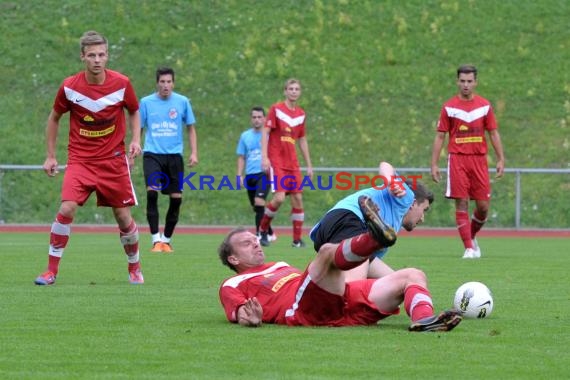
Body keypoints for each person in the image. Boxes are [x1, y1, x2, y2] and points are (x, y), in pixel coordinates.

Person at [218, 210, 462, 331]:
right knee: (326, 252)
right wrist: (248, 318)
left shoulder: (279, 264)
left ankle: (423, 321)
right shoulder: (232, 284)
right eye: (246, 243)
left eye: (255, 239)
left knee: (413, 274)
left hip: (341, 302)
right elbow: (239, 311)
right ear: (233, 257)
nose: (256, 243)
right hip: (303, 309)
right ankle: (373, 240)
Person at [34, 30, 144, 285]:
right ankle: (51, 271)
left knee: (123, 216)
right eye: (92, 55)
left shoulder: (122, 83)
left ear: (107, 56)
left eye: (102, 54)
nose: (97, 59)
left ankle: (134, 268)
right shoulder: (70, 87)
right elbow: (54, 119)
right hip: (80, 160)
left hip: (113, 160)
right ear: (83, 56)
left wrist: (137, 140)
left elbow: (134, 111)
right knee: (67, 207)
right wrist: (50, 156)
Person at [310, 161, 433, 281]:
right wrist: (391, 182)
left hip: (325, 231)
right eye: (424, 210)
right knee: (354, 285)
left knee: (397, 285)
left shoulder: (390, 228)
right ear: (414, 203)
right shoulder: (406, 197)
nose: (422, 218)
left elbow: (369, 265)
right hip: (350, 220)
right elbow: (385, 165)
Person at [431, 64, 505, 259]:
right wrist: (434, 164)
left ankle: (471, 237)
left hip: (479, 160)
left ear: (475, 82)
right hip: (457, 159)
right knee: (461, 203)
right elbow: (440, 136)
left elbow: (493, 133)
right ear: (457, 82)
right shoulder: (449, 107)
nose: (465, 85)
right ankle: (469, 248)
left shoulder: (484, 106)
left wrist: (500, 159)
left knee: (483, 207)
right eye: (462, 81)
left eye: (469, 81)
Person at [140, 67, 198, 253]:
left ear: (173, 83)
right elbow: (139, 128)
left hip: (174, 156)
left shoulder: (182, 102)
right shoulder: (146, 102)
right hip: (152, 154)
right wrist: (134, 147)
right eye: (162, 82)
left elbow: (190, 128)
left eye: (169, 82)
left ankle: (166, 240)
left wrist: (194, 152)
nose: (165, 85)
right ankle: (155, 240)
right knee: (152, 193)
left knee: (176, 199)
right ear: (157, 83)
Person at [259, 78, 313, 248]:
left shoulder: (301, 114)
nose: (294, 91)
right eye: (291, 88)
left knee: (298, 198)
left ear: (300, 92)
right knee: (280, 198)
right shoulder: (276, 109)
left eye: (297, 89)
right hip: (277, 161)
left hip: (293, 163)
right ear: (285, 91)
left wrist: (309, 164)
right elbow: (265, 132)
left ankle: (297, 240)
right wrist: (264, 157)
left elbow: (302, 139)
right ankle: (262, 230)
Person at [236, 106, 276, 241]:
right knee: (257, 206)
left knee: (259, 201)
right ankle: (269, 231)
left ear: (264, 118)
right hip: (250, 175)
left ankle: (261, 234)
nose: (257, 120)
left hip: (264, 173)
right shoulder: (245, 136)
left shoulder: (269, 135)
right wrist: (239, 175)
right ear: (251, 119)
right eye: (254, 117)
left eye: (259, 117)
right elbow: (241, 156)